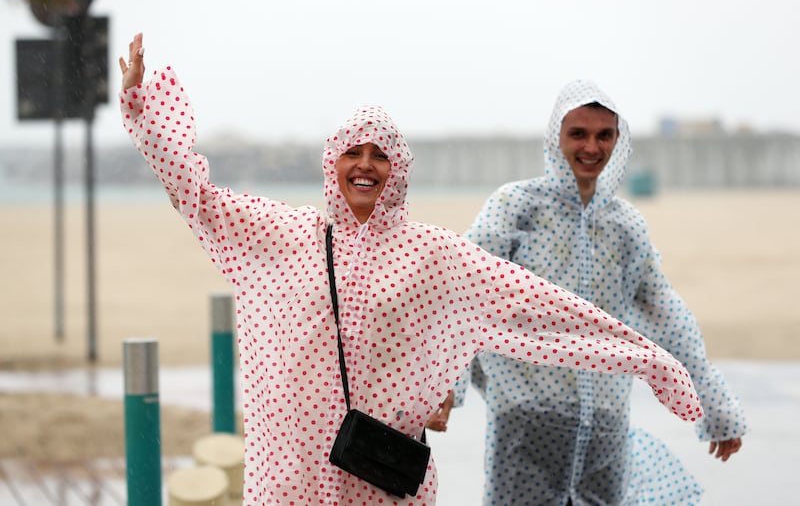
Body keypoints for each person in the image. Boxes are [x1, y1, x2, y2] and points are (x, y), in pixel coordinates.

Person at [118, 34, 704, 505]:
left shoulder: (433, 254)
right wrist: (147, 115)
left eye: (381, 154)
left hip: (380, 481)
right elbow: (195, 196)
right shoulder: (286, 234)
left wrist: (649, 358)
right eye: (353, 152)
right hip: (288, 482)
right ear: (332, 162)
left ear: (399, 170)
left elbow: (537, 307)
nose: (366, 166)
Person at [445, 80, 747, 505]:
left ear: (618, 140)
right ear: (556, 138)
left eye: (603, 135)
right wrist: (446, 387)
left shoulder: (625, 226)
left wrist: (716, 409)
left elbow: (667, 316)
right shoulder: (516, 207)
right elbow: (460, 292)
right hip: (525, 424)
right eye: (578, 134)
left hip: (604, 429)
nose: (591, 147)